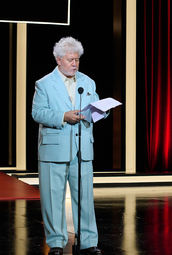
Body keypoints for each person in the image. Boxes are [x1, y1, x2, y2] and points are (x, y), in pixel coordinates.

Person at [32, 37, 105, 255]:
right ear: (58, 60)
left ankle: (88, 242)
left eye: (77, 60)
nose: (74, 63)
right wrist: (63, 116)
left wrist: (103, 110)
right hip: (54, 148)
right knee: (53, 199)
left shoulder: (88, 82)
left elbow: (97, 107)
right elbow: (38, 113)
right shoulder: (44, 83)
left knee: (84, 198)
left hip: (82, 149)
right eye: (70, 59)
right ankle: (56, 243)